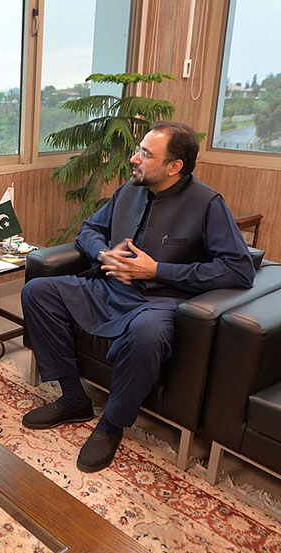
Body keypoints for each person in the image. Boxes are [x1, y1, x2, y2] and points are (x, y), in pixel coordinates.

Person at [20, 121, 255, 473]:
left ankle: (112, 424)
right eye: (138, 149)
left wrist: (158, 270)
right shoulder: (129, 190)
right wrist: (103, 254)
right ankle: (73, 397)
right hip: (109, 288)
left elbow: (239, 269)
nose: (134, 158)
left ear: (174, 166)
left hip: (160, 302)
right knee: (37, 292)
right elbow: (90, 228)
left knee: (147, 334)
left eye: (145, 154)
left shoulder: (207, 204)